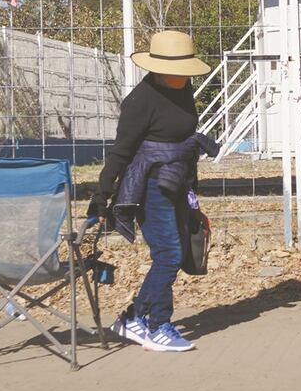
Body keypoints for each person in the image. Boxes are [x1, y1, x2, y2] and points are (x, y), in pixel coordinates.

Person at [88, 30, 214, 352]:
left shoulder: (184, 88)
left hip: (176, 182)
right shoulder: (140, 101)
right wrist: (101, 196)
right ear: (157, 68)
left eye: (184, 70)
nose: (180, 76)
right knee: (169, 254)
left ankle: (133, 318)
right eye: (174, 70)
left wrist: (192, 193)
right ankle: (158, 326)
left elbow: (183, 142)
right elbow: (121, 152)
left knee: (174, 253)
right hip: (149, 187)